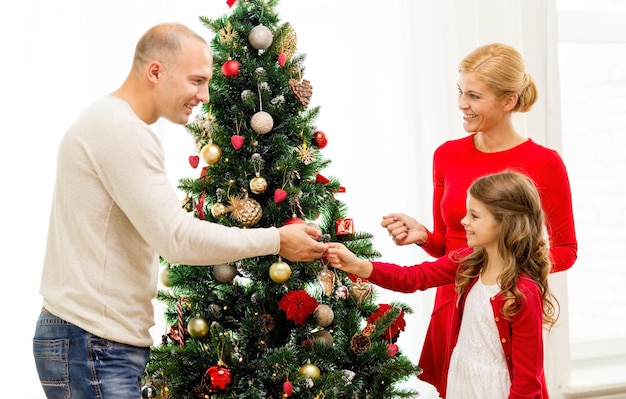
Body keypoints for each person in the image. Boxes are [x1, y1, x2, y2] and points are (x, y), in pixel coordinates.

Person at [32, 23, 329, 399]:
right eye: (196, 81)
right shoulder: (120, 129)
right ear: (156, 71)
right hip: (92, 343)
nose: (204, 96)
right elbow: (176, 238)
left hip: (92, 342)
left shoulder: (108, 122)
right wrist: (276, 240)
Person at [379, 42, 577, 396]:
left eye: (473, 95)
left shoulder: (544, 162)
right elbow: (451, 245)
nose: (461, 104)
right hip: (453, 302)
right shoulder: (447, 155)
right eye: (460, 92)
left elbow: (566, 249)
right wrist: (425, 236)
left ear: (509, 100)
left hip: (505, 308)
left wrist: (512, 271)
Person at [327, 171, 559, 398]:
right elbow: (413, 277)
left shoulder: (524, 293)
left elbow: (528, 384)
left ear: (505, 222)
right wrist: (357, 265)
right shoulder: (469, 261)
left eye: (474, 216)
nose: (463, 221)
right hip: (461, 380)